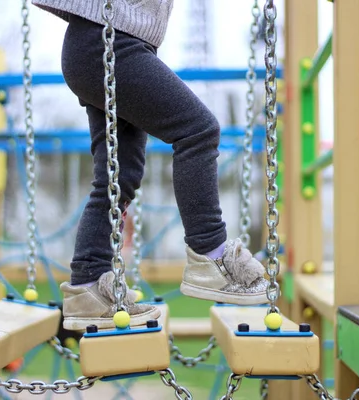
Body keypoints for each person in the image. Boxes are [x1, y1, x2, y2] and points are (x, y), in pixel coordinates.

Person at [33, 0, 269, 331]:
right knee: (198, 130)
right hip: (107, 39)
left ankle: (87, 286)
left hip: (98, 42)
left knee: (119, 175)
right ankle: (209, 254)